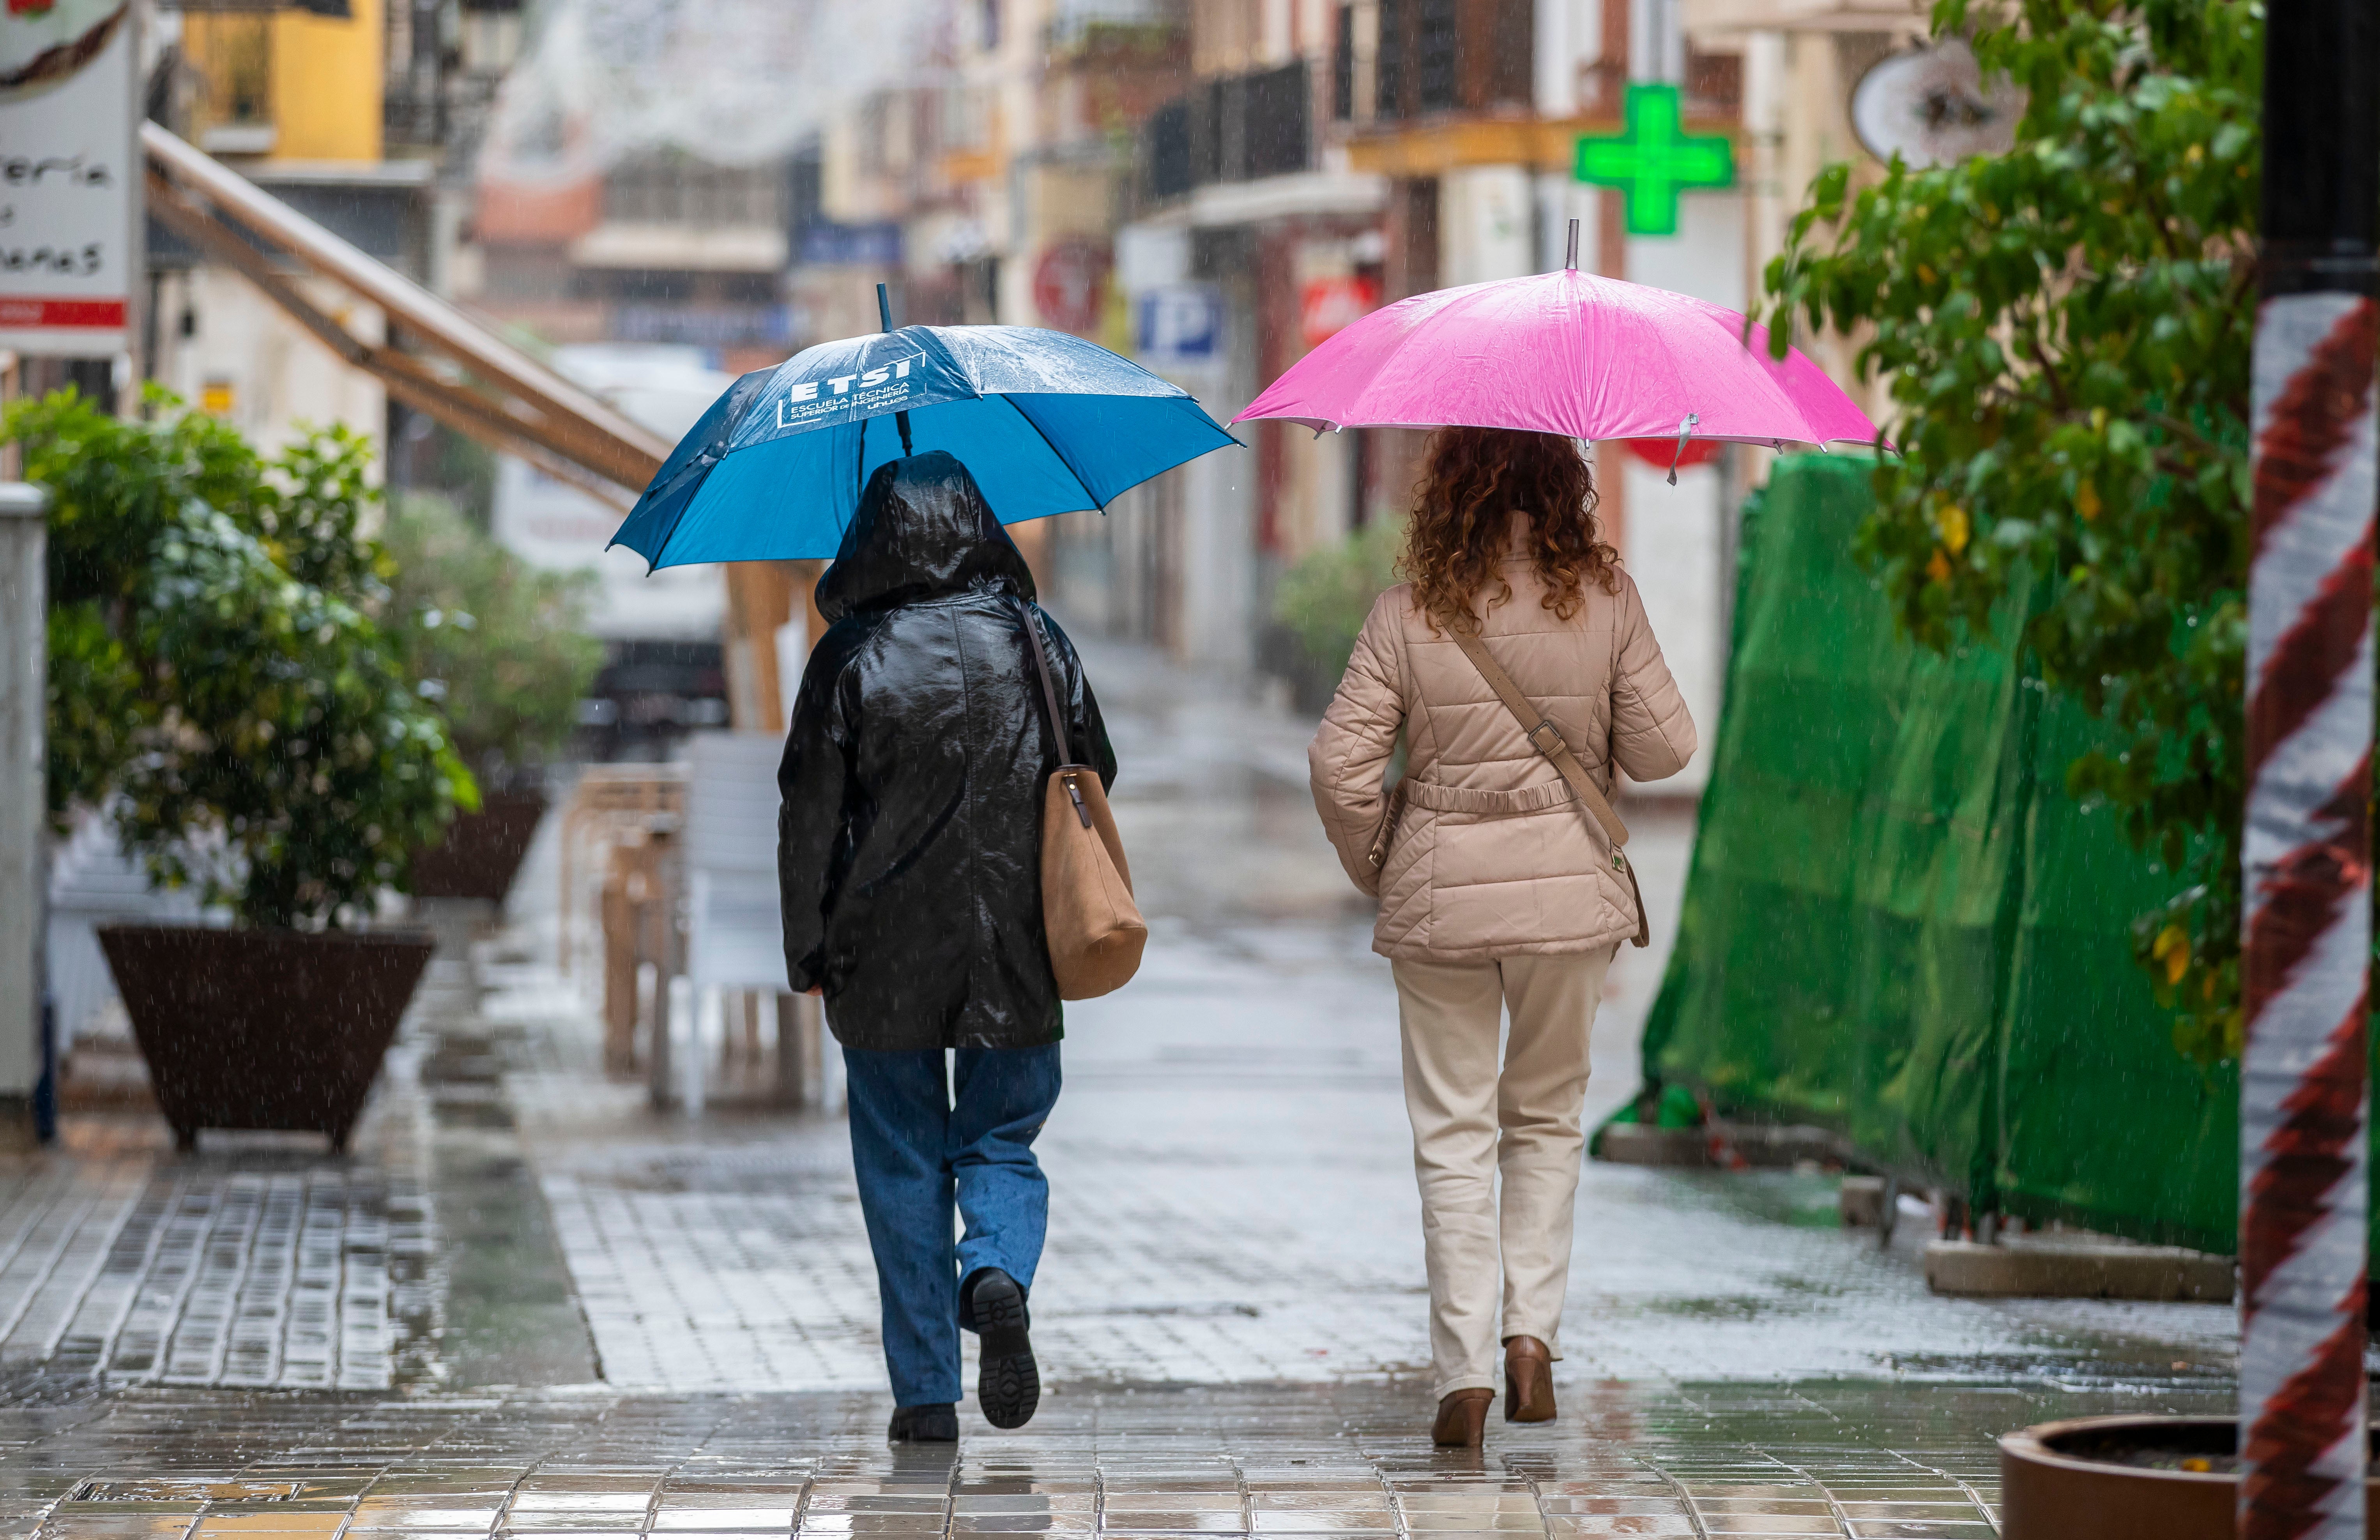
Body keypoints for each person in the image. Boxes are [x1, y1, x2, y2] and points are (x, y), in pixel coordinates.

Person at [1307, 426, 1696, 1447]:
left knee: (1452, 1133)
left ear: (1448, 492)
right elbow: (1667, 748)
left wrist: (1381, 866)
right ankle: (1530, 1338)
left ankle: (1464, 1375)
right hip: (1567, 901)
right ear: (1564, 486)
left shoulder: (1407, 611)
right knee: (1544, 1118)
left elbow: (1338, 768)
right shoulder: (1605, 599)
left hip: (1440, 901)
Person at [778, 451, 1114, 1444]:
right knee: (1002, 1135)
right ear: (980, 525)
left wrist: (807, 947)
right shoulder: (1036, 639)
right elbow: (1094, 766)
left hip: (879, 952)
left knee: (900, 1161)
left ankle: (926, 1395)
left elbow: (807, 815)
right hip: (1017, 941)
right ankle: (995, 1266)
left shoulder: (847, 656)